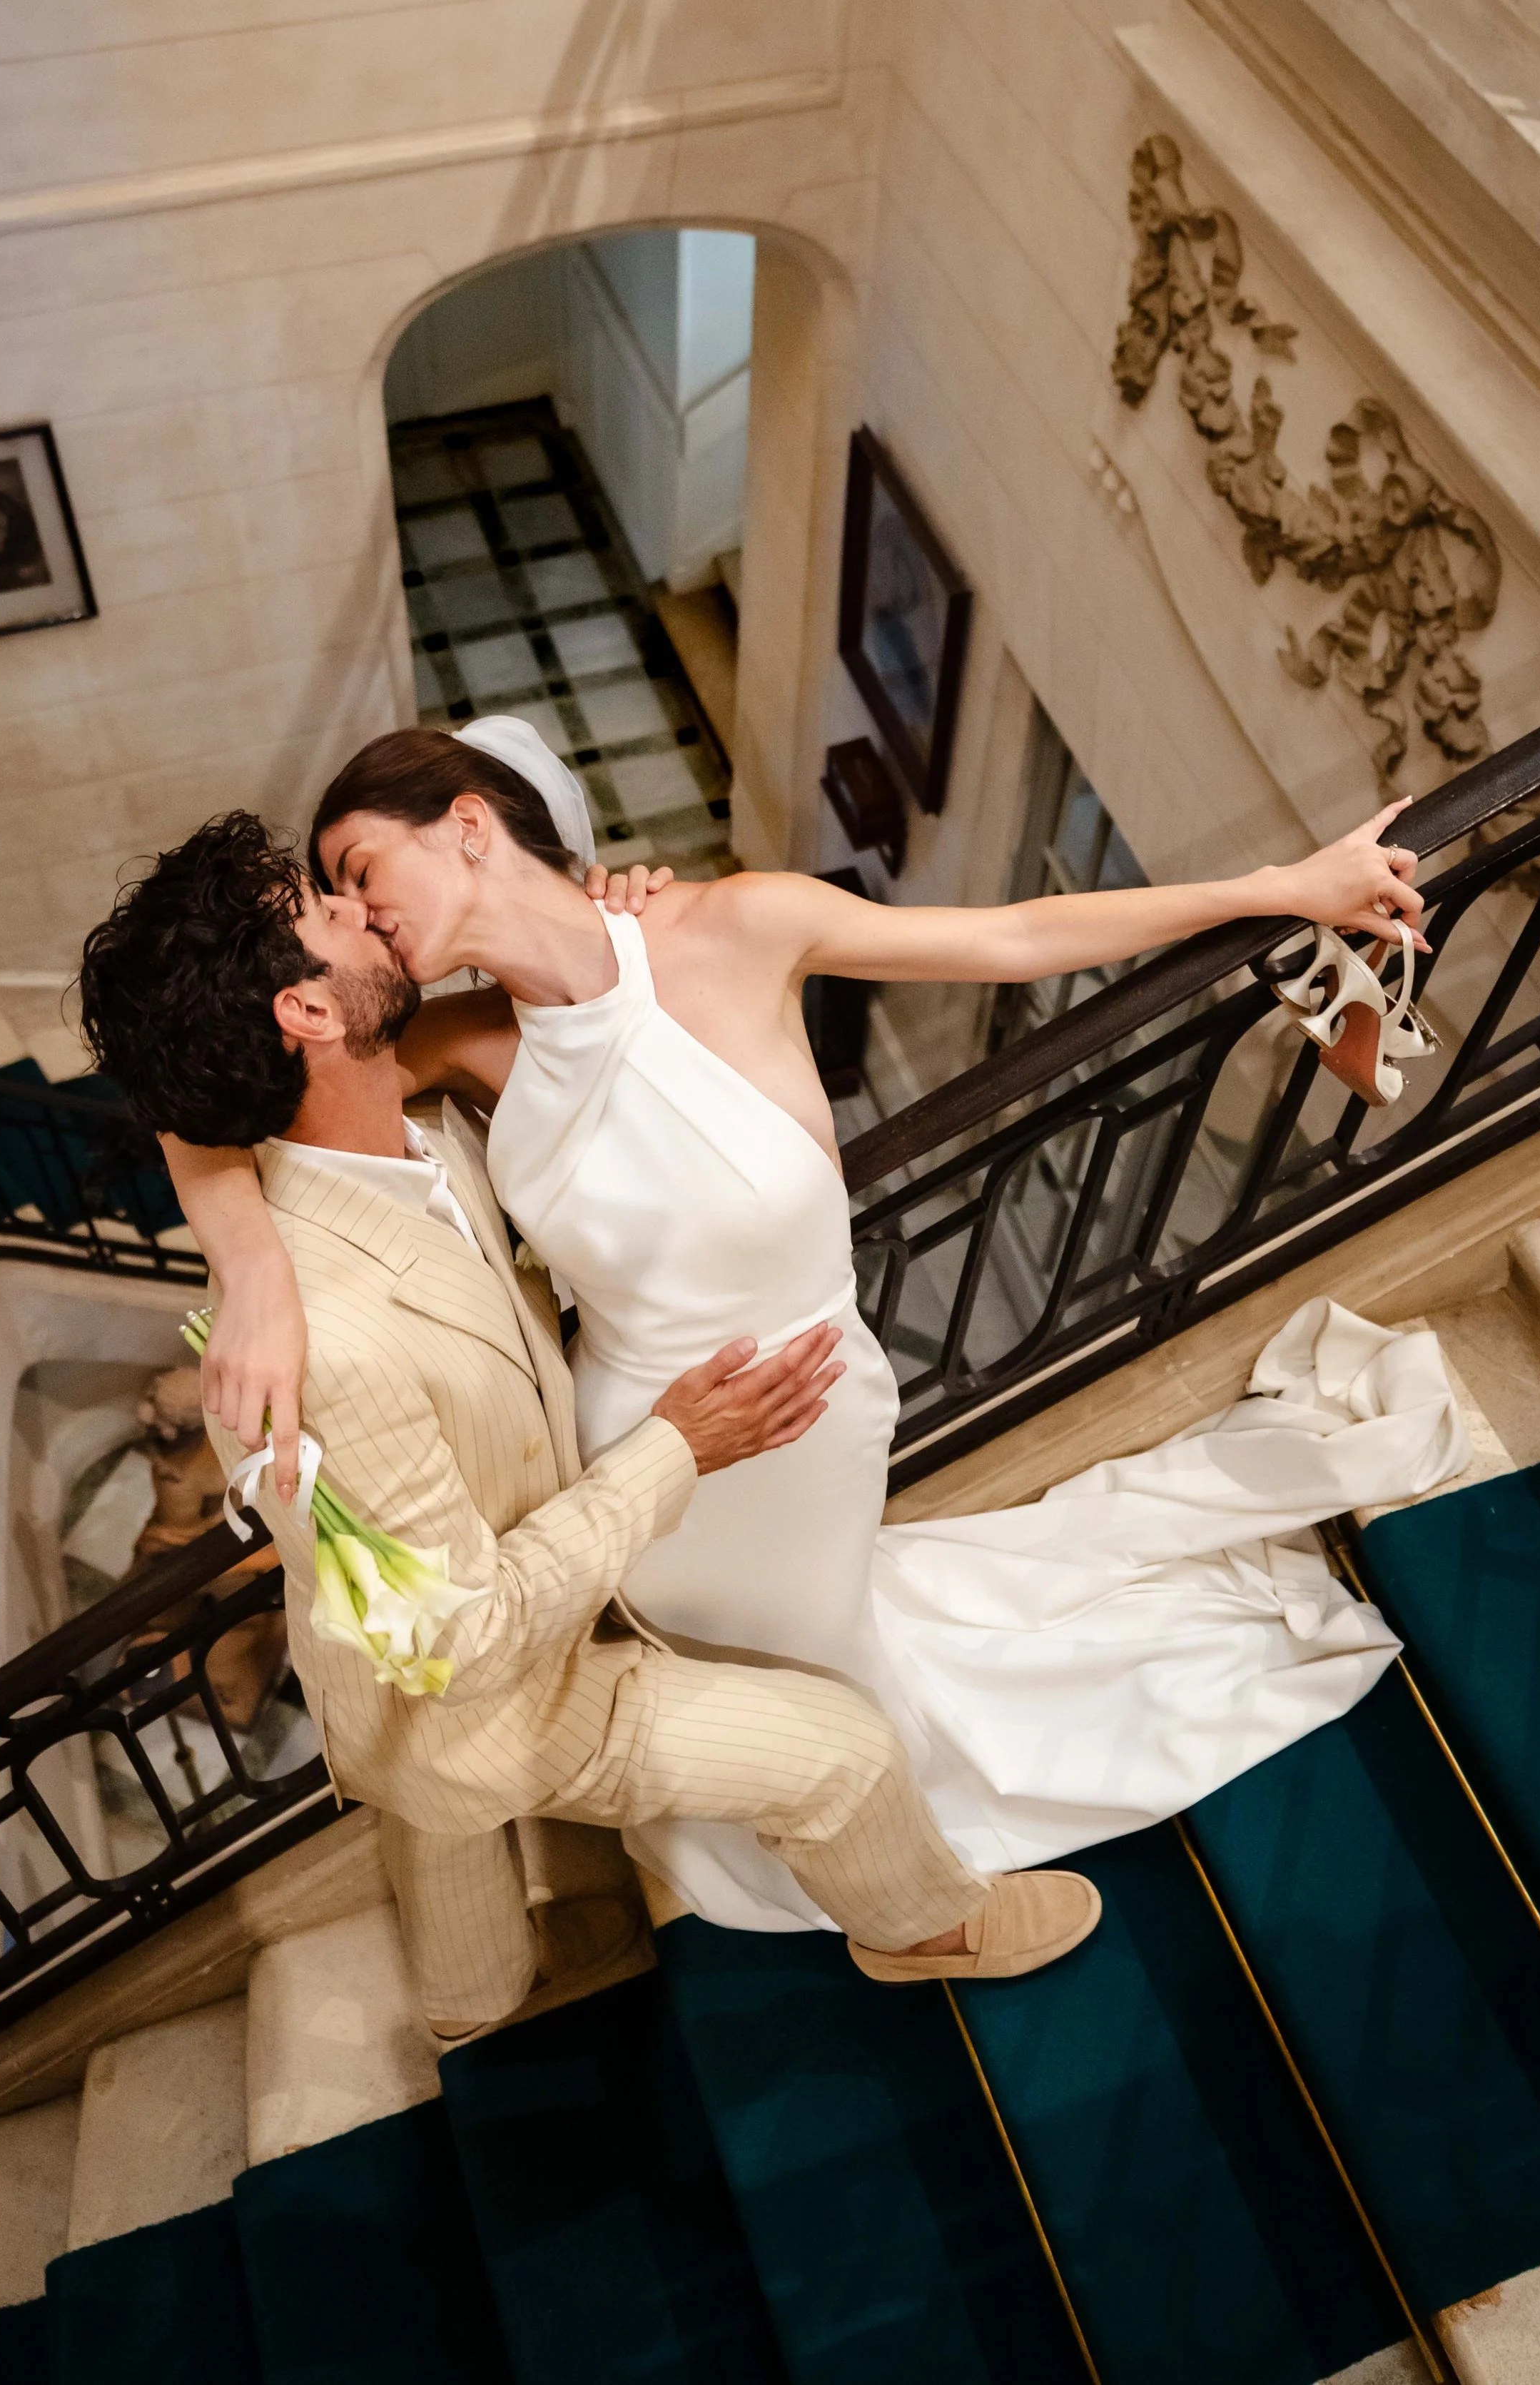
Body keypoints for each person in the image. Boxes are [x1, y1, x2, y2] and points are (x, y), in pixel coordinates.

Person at [159, 721, 1464, 1934]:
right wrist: (254, 1268)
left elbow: (1018, 934)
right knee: (757, 1683)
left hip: (810, 1420)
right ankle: (849, 1839)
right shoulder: (457, 1038)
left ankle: (885, 1820)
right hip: (641, 1453)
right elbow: (197, 1093)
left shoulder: (737, 924)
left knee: (839, 1651)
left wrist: (1280, 888)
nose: (358, 909)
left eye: (359, 869)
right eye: (334, 894)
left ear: (463, 822)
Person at [78, 814, 1105, 2036]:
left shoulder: (417, 1132)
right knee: (844, 1754)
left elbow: (196, 1122)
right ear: (304, 1011)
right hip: (486, 1686)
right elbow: (463, 1644)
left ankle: (468, 2007)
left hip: (389, 1672)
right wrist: (678, 1444)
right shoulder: (328, 1346)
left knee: (442, 1842)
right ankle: (923, 1928)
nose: (363, 911)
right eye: (328, 909)